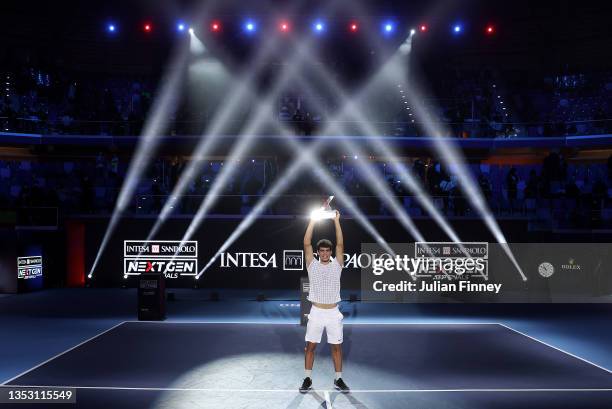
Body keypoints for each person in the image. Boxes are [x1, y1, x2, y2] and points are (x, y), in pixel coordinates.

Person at [300, 210, 349, 393]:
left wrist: (336, 221)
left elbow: (341, 243)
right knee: (310, 347)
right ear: (318, 252)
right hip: (316, 312)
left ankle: (338, 379)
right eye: (322, 250)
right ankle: (307, 378)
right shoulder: (312, 264)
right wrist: (312, 220)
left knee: (336, 347)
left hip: (333, 313)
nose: (325, 253)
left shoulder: (338, 264)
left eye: (328, 250)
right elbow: (306, 242)